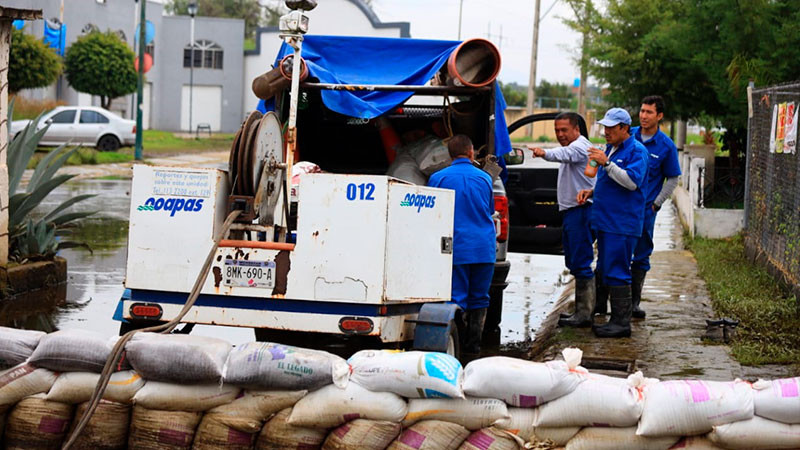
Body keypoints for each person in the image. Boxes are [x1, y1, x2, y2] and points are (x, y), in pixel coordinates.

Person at [576, 108, 648, 338]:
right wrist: (592, 191)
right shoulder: (612, 149)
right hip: (607, 221)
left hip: (622, 223)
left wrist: (606, 163)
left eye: (611, 127)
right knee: (607, 268)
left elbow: (631, 183)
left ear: (624, 128)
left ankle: (621, 323)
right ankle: (614, 319)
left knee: (617, 270)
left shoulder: (637, 151)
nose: (606, 132)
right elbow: (609, 181)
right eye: (605, 127)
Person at [428, 134, 496, 354]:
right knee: (480, 297)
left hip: (456, 248)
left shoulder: (438, 178)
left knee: (456, 297)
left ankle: (454, 347)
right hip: (484, 248)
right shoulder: (485, 178)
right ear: (471, 152)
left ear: (449, 154)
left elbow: (433, 215)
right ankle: (474, 347)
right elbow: (490, 209)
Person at [528, 113, 597, 327]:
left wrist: (544, 152)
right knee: (574, 261)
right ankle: (582, 311)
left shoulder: (580, 147)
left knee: (581, 261)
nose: (560, 135)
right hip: (572, 211)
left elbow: (563, 153)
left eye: (564, 130)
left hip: (581, 210)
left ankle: (585, 314)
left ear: (576, 130)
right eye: (557, 131)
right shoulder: (577, 148)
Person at [629, 96, 681, 319]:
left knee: (640, 256)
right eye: (642, 111)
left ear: (659, 116)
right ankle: (602, 304)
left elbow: (672, 179)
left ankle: (633, 304)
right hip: (619, 209)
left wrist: (656, 204)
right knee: (612, 254)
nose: (643, 115)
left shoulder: (666, 146)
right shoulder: (627, 135)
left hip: (644, 212)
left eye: (649, 112)